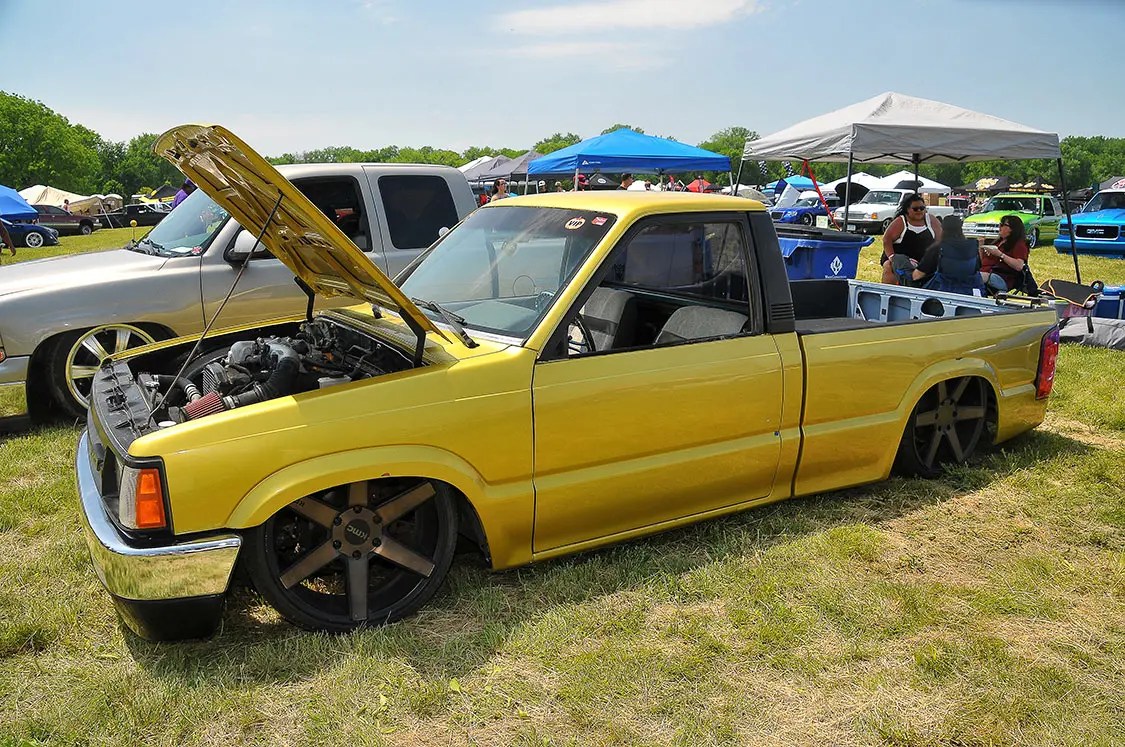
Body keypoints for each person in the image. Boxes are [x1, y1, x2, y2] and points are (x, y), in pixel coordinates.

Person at [900, 215, 984, 294]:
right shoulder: (972, 246)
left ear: (942, 229)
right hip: (969, 291)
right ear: (960, 228)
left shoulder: (938, 248)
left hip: (941, 293)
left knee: (899, 260)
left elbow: (916, 276)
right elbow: (977, 268)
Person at [881, 193, 942, 285]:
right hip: (900, 260)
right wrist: (891, 257)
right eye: (915, 209)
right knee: (888, 266)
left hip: (924, 260)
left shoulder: (932, 220)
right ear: (907, 209)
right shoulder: (900, 221)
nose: (919, 211)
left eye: (922, 208)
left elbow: (940, 240)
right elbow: (887, 240)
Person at [980, 215, 1029, 293]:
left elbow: (1019, 266)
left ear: (1012, 229)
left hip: (1002, 277)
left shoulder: (1019, 245)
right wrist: (980, 246)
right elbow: (982, 261)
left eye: (1003, 225)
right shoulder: (998, 242)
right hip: (985, 272)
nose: (1000, 227)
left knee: (974, 277)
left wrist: (1000, 254)